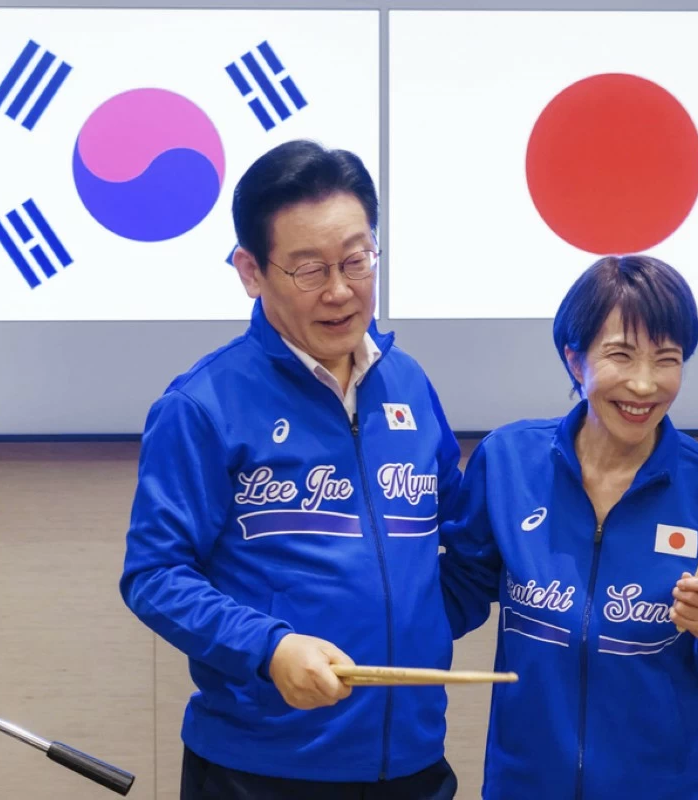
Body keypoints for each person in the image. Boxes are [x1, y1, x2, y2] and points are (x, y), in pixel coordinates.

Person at [120, 140, 462, 799]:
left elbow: (460, 540)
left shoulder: (409, 385)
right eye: (308, 269)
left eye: (356, 261)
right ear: (250, 270)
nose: (340, 291)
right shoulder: (202, 405)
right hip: (262, 771)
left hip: (412, 761)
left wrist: (425, 622)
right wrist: (269, 649)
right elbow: (154, 576)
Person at [439, 255, 698, 799]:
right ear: (575, 359)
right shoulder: (508, 463)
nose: (644, 385)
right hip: (524, 782)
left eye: (667, 360)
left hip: (665, 786)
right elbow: (456, 596)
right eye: (620, 355)